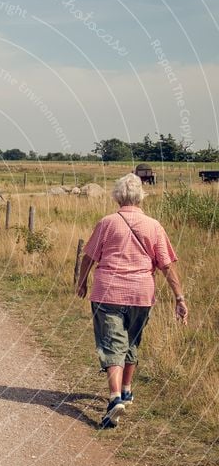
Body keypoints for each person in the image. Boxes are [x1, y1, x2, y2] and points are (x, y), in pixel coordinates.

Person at [76, 173, 188, 428]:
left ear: (117, 196)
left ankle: (115, 398)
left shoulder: (107, 223)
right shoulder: (154, 226)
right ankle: (126, 389)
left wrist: (82, 282)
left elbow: (88, 257)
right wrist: (179, 298)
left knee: (111, 343)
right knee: (131, 340)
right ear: (140, 196)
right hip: (141, 294)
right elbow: (167, 266)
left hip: (108, 293)